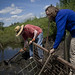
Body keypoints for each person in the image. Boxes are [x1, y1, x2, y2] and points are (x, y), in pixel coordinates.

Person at [45, 5, 75, 75]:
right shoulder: (60, 14)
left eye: (48, 15)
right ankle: (69, 65)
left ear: (52, 13)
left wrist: (54, 48)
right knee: (67, 45)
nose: (48, 17)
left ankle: (73, 71)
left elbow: (60, 33)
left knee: (73, 52)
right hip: (72, 31)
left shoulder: (60, 16)